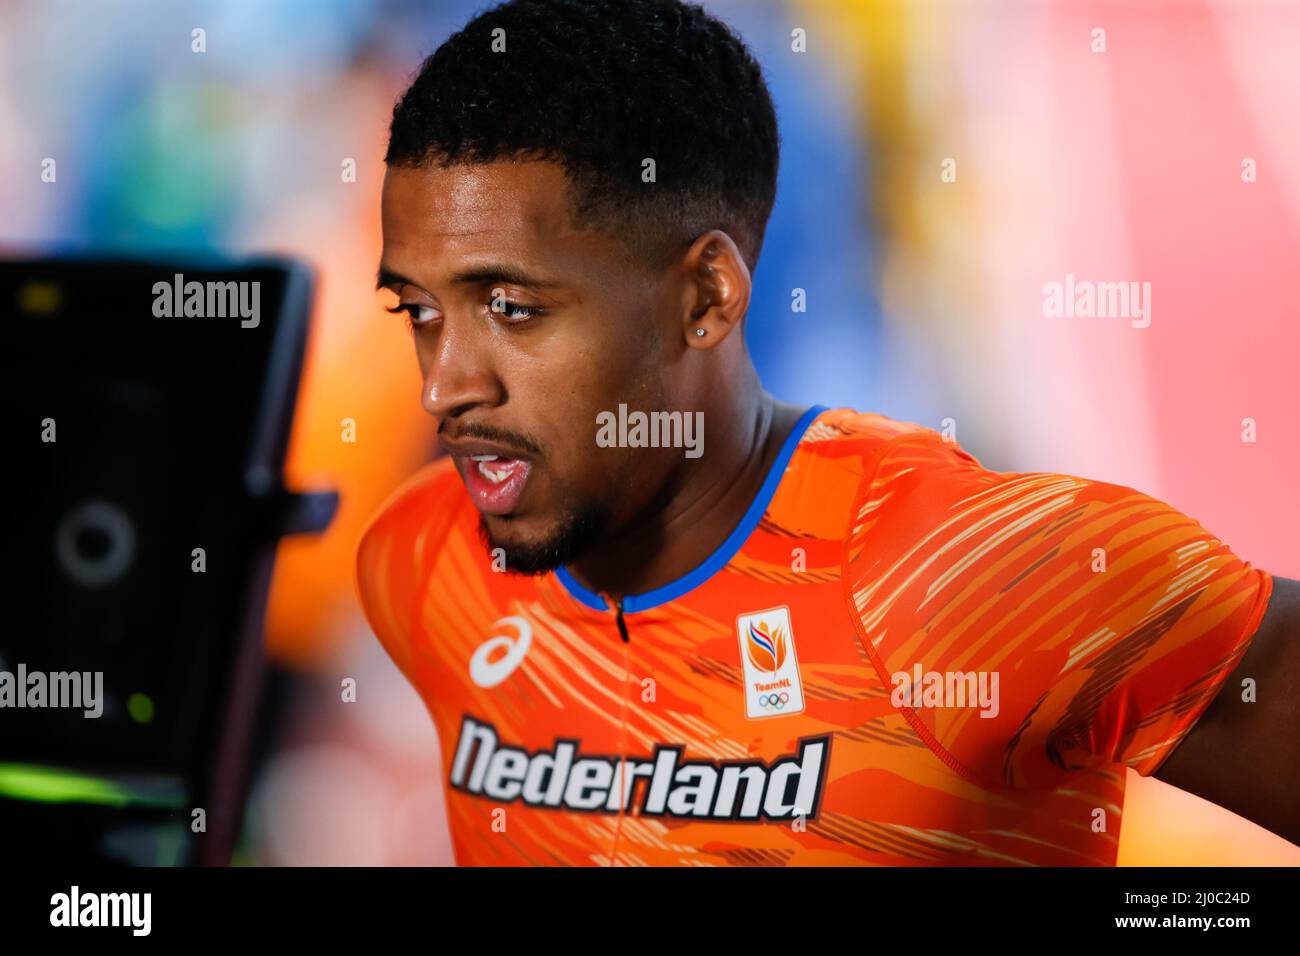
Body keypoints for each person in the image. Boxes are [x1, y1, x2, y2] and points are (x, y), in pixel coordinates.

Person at [359, 0, 1298, 865]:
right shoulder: (417, 563)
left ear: (706, 296)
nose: (443, 388)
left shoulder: (983, 578)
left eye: (514, 309)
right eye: (419, 313)